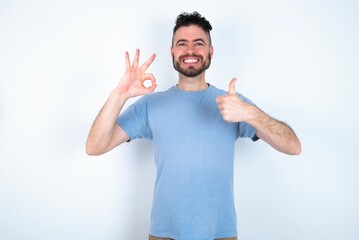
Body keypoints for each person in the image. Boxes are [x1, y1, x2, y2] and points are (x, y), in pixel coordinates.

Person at [86, 11, 301, 240]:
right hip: (164, 235)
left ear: (211, 51)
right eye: (182, 44)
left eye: (199, 43)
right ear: (172, 52)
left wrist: (251, 114)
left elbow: (292, 146)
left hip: (221, 234)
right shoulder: (150, 105)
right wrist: (119, 95)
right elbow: (95, 146)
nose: (190, 50)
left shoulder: (234, 103)